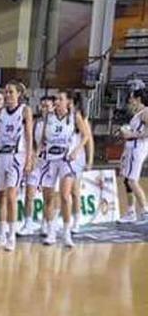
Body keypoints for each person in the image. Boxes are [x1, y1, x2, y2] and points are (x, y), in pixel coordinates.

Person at [39, 91, 89, 248]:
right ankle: (51, 231)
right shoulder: (49, 116)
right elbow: (42, 139)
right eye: (57, 99)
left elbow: (86, 135)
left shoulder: (74, 117)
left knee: (65, 195)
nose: (57, 101)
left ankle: (67, 233)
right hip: (49, 160)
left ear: (68, 102)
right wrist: (36, 154)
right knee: (48, 197)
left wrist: (77, 150)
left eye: (61, 99)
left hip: (66, 160)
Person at [0, 81, 33, 252]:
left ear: (19, 94)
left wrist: (29, 158)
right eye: (6, 92)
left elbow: (29, 136)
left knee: (11, 196)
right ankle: (1, 234)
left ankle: (11, 235)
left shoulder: (25, 110)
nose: (8, 94)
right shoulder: (0, 112)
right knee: (0, 196)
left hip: (17, 156)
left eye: (11, 92)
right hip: (1, 155)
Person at [18, 95, 55, 236]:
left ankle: (46, 223)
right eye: (42, 105)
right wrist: (32, 157)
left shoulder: (57, 124)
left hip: (50, 162)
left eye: (47, 106)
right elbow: (31, 142)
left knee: (48, 196)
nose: (44, 108)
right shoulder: (35, 122)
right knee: (29, 193)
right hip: (37, 161)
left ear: (53, 107)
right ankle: (28, 223)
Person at [118, 88, 148, 223]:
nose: (130, 100)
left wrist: (131, 134)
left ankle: (145, 211)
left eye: (132, 98)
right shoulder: (138, 113)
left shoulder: (146, 112)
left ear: (138, 99)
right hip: (131, 147)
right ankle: (131, 212)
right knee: (126, 180)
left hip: (137, 148)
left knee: (132, 180)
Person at [70, 92, 94, 232]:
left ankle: (77, 220)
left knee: (75, 191)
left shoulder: (80, 117)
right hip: (65, 158)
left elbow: (89, 140)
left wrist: (90, 160)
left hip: (77, 157)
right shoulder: (66, 115)